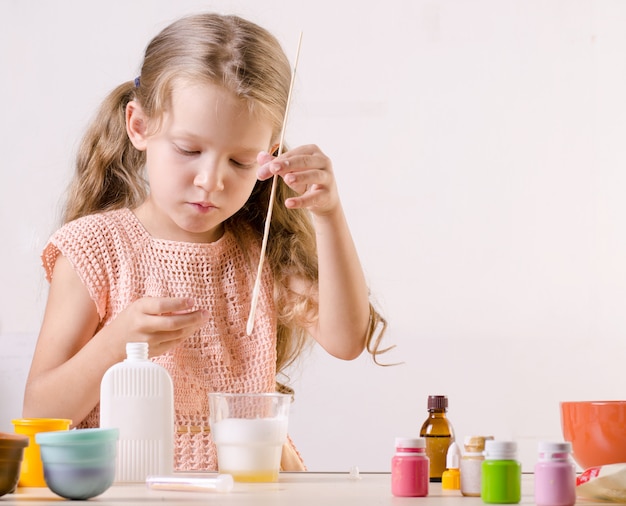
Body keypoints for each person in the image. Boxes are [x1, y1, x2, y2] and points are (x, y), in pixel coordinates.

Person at [22, 12, 389, 471]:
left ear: (269, 158)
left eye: (239, 162)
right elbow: (39, 414)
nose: (210, 181)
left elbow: (346, 339)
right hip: (132, 484)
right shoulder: (94, 249)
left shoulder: (258, 249)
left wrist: (329, 214)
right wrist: (117, 343)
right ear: (139, 126)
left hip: (250, 480)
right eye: (189, 150)